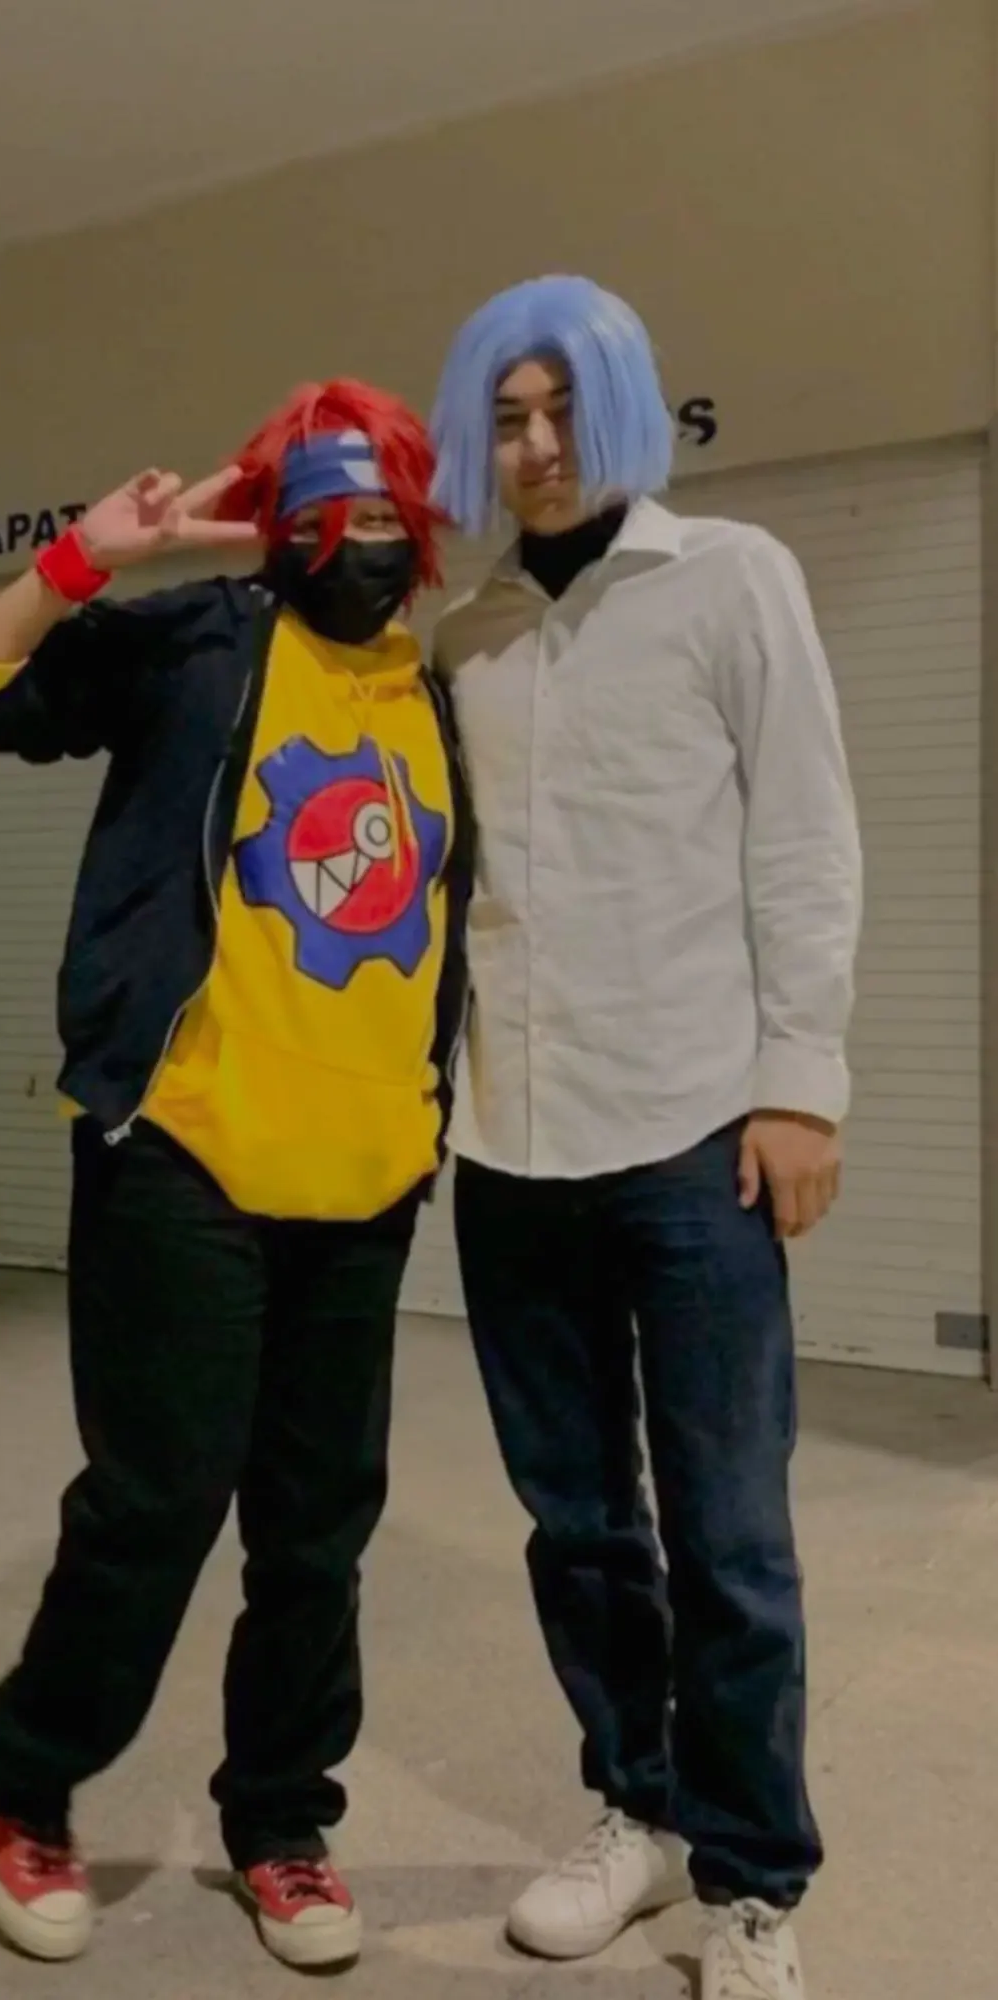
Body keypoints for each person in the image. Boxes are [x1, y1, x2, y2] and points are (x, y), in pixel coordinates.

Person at [0, 380, 470, 1972]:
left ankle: (281, 1822)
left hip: (366, 1174)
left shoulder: (433, 695)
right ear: (281, 528)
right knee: (157, 1505)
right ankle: (27, 1780)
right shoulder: (204, 645)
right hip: (188, 1155)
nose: (359, 545)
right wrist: (87, 557)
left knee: (318, 1532)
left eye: (386, 517)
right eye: (328, 516)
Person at [429, 275, 862, 2000]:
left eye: (560, 410)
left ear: (621, 409)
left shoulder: (733, 579)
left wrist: (801, 1083)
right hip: (510, 1143)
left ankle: (754, 1883)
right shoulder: (463, 636)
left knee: (730, 1533)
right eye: (505, 419)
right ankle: (639, 1806)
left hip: (695, 1133)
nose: (536, 446)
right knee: (579, 1524)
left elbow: (804, 838)